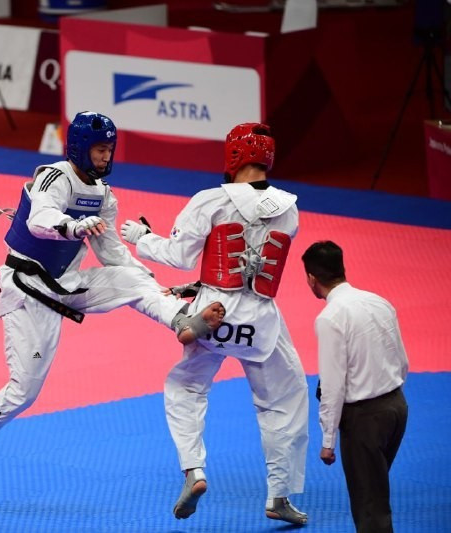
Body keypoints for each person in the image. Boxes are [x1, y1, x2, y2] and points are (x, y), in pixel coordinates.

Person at [0, 111, 225, 495]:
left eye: (110, 150)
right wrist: (73, 227)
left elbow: (113, 255)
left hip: (67, 286)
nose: (106, 158)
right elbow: (39, 220)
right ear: (78, 148)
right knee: (23, 392)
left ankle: (182, 319)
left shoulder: (104, 197)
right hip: (26, 288)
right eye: (99, 150)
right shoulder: (54, 177)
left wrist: (156, 285)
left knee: (130, 276)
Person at [120, 122, 309, 524]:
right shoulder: (290, 208)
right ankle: (279, 495)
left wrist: (141, 236)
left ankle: (194, 469)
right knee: (286, 401)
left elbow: (179, 254)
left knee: (184, 386)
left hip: (213, 317)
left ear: (234, 156)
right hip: (261, 319)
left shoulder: (210, 200)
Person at [302, 240, 409, 532]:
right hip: (397, 407)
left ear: (312, 278)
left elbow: (332, 385)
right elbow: (402, 360)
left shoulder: (330, 318)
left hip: (364, 420)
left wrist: (327, 441)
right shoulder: (378, 301)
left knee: (370, 504)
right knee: (374, 491)